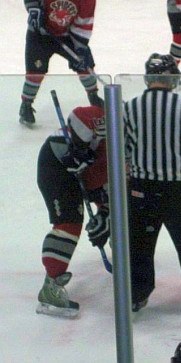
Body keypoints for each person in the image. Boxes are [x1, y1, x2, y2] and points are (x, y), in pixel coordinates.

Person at [123, 53, 181, 312]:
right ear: (173, 78)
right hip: (179, 189)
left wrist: (135, 160)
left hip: (142, 189)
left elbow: (121, 147)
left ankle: (136, 293)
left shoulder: (129, 107)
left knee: (140, 244)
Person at [36, 105, 110, 318]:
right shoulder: (60, 144)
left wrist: (106, 214)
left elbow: (113, 184)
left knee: (120, 211)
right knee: (69, 224)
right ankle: (51, 285)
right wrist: (78, 151)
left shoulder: (121, 144)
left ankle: (123, 251)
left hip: (87, 170)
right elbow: (80, 117)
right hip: (57, 168)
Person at [19, 0, 104, 126]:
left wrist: (79, 50)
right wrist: (34, 10)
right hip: (39, 34)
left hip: (65, 34)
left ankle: (93, 95)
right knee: (36, 71)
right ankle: (26, 105)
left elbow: (83, 25)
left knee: (85, 63)